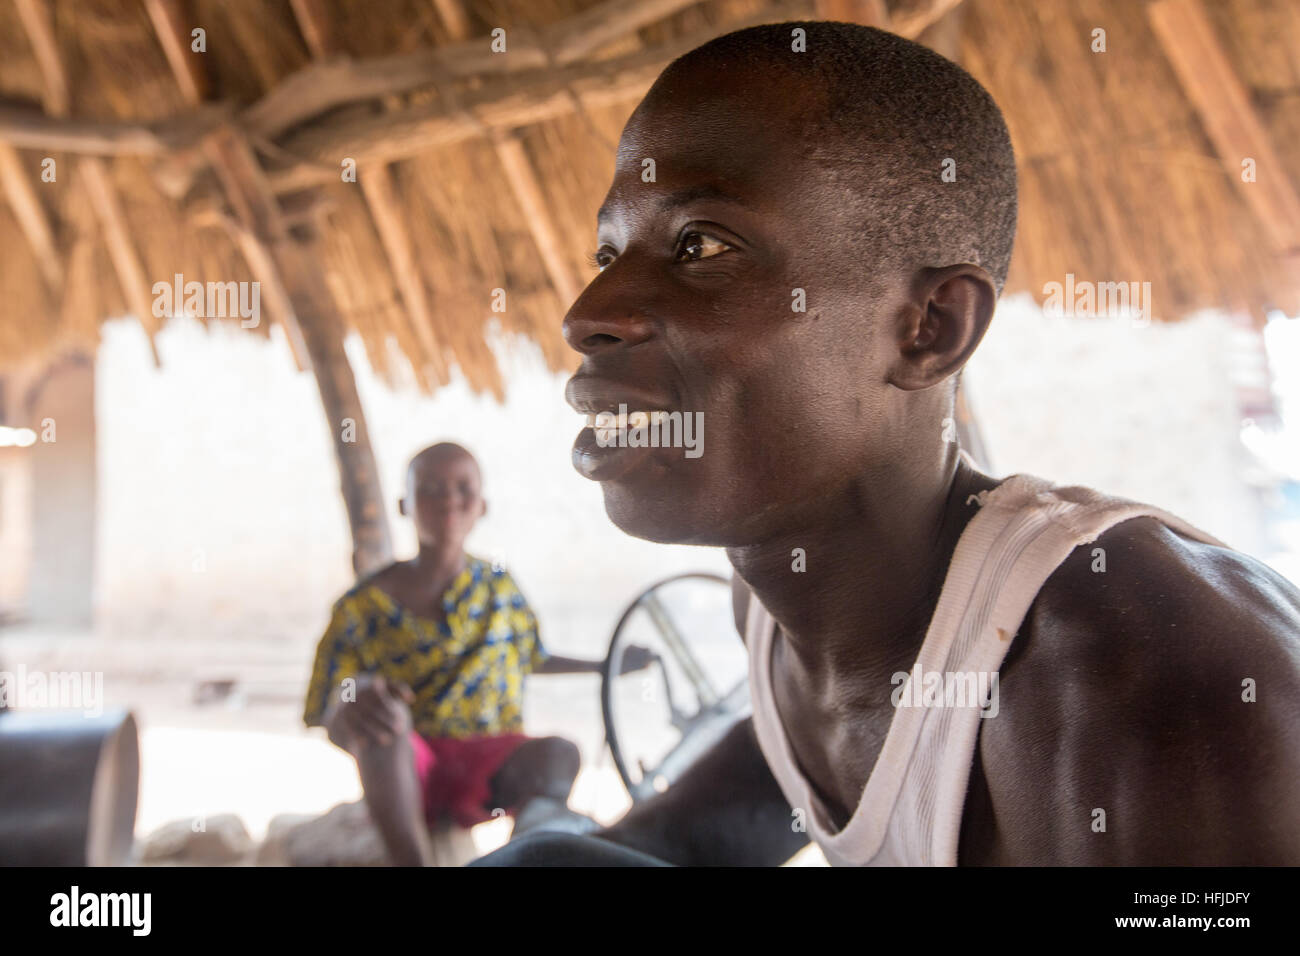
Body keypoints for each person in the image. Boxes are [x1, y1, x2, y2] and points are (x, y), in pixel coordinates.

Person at [473, 21, 1300, 866]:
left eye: (701, 245)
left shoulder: (1147, 688)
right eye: (610, 250)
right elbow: (692, 836)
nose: (586, 315)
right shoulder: (779, 609)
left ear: (929, 329)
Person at [304, 442, 648, 865]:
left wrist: (608, 664)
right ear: (403, 505)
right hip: (408, 770)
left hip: (490, 770)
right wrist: (356, 695)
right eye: (430, 489)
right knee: (384, 724)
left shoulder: (499, 587)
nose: (448, 499)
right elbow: (329, 704)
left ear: (482, 505)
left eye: (463, 488)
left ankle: (528, 853)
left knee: (560, 754)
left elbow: (532, 656)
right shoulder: (361, 607)